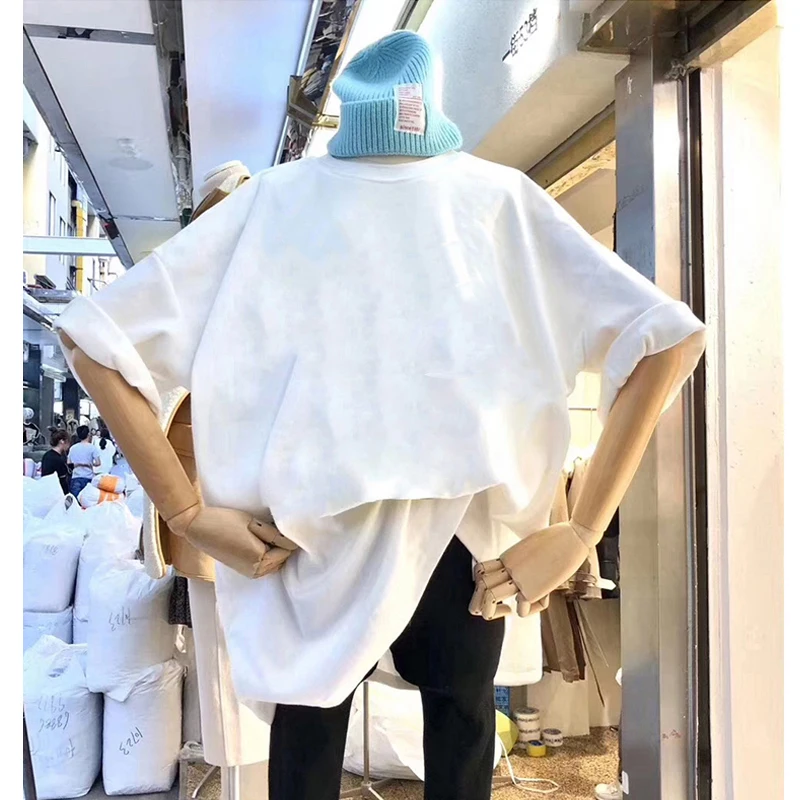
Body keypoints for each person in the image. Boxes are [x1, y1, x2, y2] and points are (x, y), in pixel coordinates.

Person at [67, 425, 101, 497]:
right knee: (87, 500)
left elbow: (69, 462)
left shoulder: (73, 448)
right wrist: (89, 464)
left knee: (75, 501)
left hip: (76, 477)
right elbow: (98, 463)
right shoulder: (92, 448)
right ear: (88, 434)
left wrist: (77, 464)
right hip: (88, 477)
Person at [40, 429, 71, 494]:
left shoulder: (47, 455)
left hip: (46, 489)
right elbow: (62, 481)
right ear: (62, 441)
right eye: (68, 442)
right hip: (57, 492)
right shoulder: (58, 459)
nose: (68, 446)